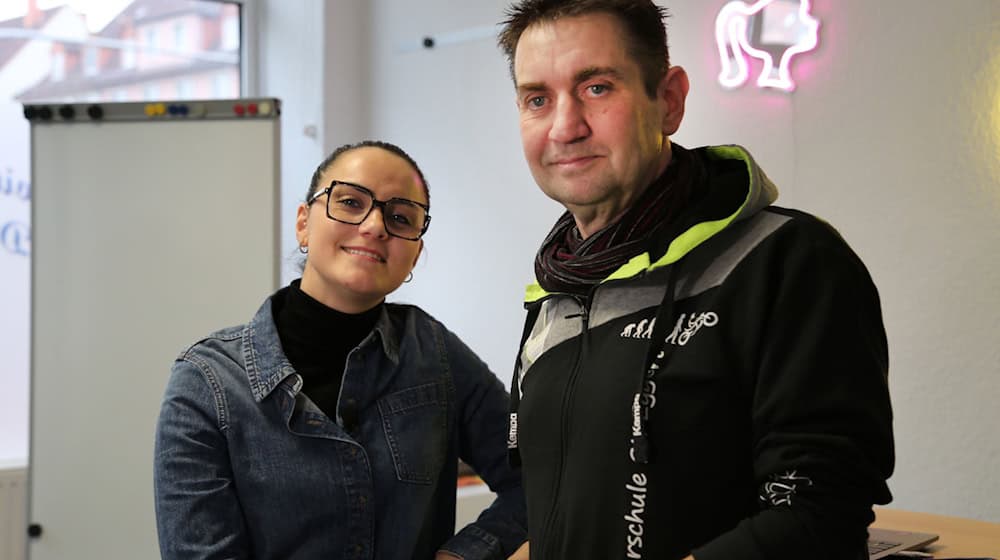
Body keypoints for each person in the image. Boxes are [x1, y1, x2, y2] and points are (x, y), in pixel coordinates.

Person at [496, 2, 894, 559]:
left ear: (669, 100)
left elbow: (820, 512)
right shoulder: (556, 292)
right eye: (537, 99)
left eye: (597, 88)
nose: (566, 127)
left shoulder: (787, 260)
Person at [153, 141, 528, 559]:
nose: (375, 226)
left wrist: (464, 555)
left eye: (400, 217)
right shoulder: (208, 383)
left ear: (415, 254)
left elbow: (536, 481)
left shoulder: (435, 355)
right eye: (350, 202)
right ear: (303, 224)